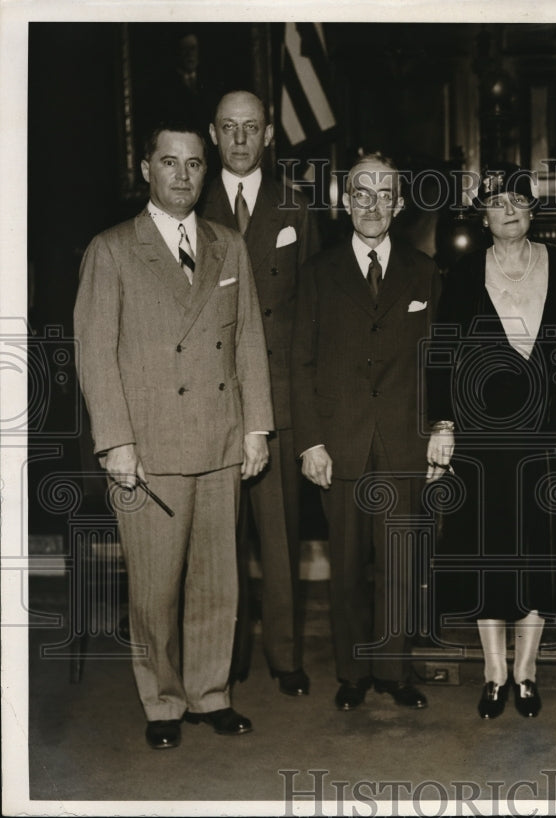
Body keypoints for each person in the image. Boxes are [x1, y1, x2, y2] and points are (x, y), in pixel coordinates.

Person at [73, 123, 273, 750]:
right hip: (148, 448)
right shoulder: (111, 249)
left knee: (219, 583)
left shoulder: (227, 243)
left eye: (193, 164)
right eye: (169, 163)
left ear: (204, 171)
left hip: (219, 441)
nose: (183, 176)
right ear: (146, 170)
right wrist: (116, 443)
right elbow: (94, 354)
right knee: (155, 589)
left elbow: (247, 340)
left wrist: (257, 427)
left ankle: (210, 694)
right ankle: (161, 702)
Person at [291, 153, 440, 711]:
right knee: (347, 565)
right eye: (361, 193)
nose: (372, 204)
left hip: (403, 442)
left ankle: (394, 671)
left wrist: (436, 432)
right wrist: (310, 442)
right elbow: (300, 365)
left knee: (400, 563)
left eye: (384, 195)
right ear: (344, 202)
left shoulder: (424, 271)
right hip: (341, 443)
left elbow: (435, 361)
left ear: (400, 204)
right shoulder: (318, 273)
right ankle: (353, 672)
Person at [426, 166, 556, 720]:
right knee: (487, 550)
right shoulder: (463, 273)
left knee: (537, 547)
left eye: (519, 200)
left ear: (533, 210)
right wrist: (442, 423)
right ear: (482, 215)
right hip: (481, 433)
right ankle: (493, 674)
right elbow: (441, 352)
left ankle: (527, 673)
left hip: (541, 431)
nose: (508, 209)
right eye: (497, 202)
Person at [200, 90, 321, 697]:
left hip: (278, 397)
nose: (241, 139)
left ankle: (285, 656)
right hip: (212, 397)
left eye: (251, 128)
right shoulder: (190, 203)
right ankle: (223, 656)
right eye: (229, 128)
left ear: (269, 134)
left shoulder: (295, 205)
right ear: (213, 133)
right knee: (220, 539)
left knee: (280, 536)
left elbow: (311, 310)